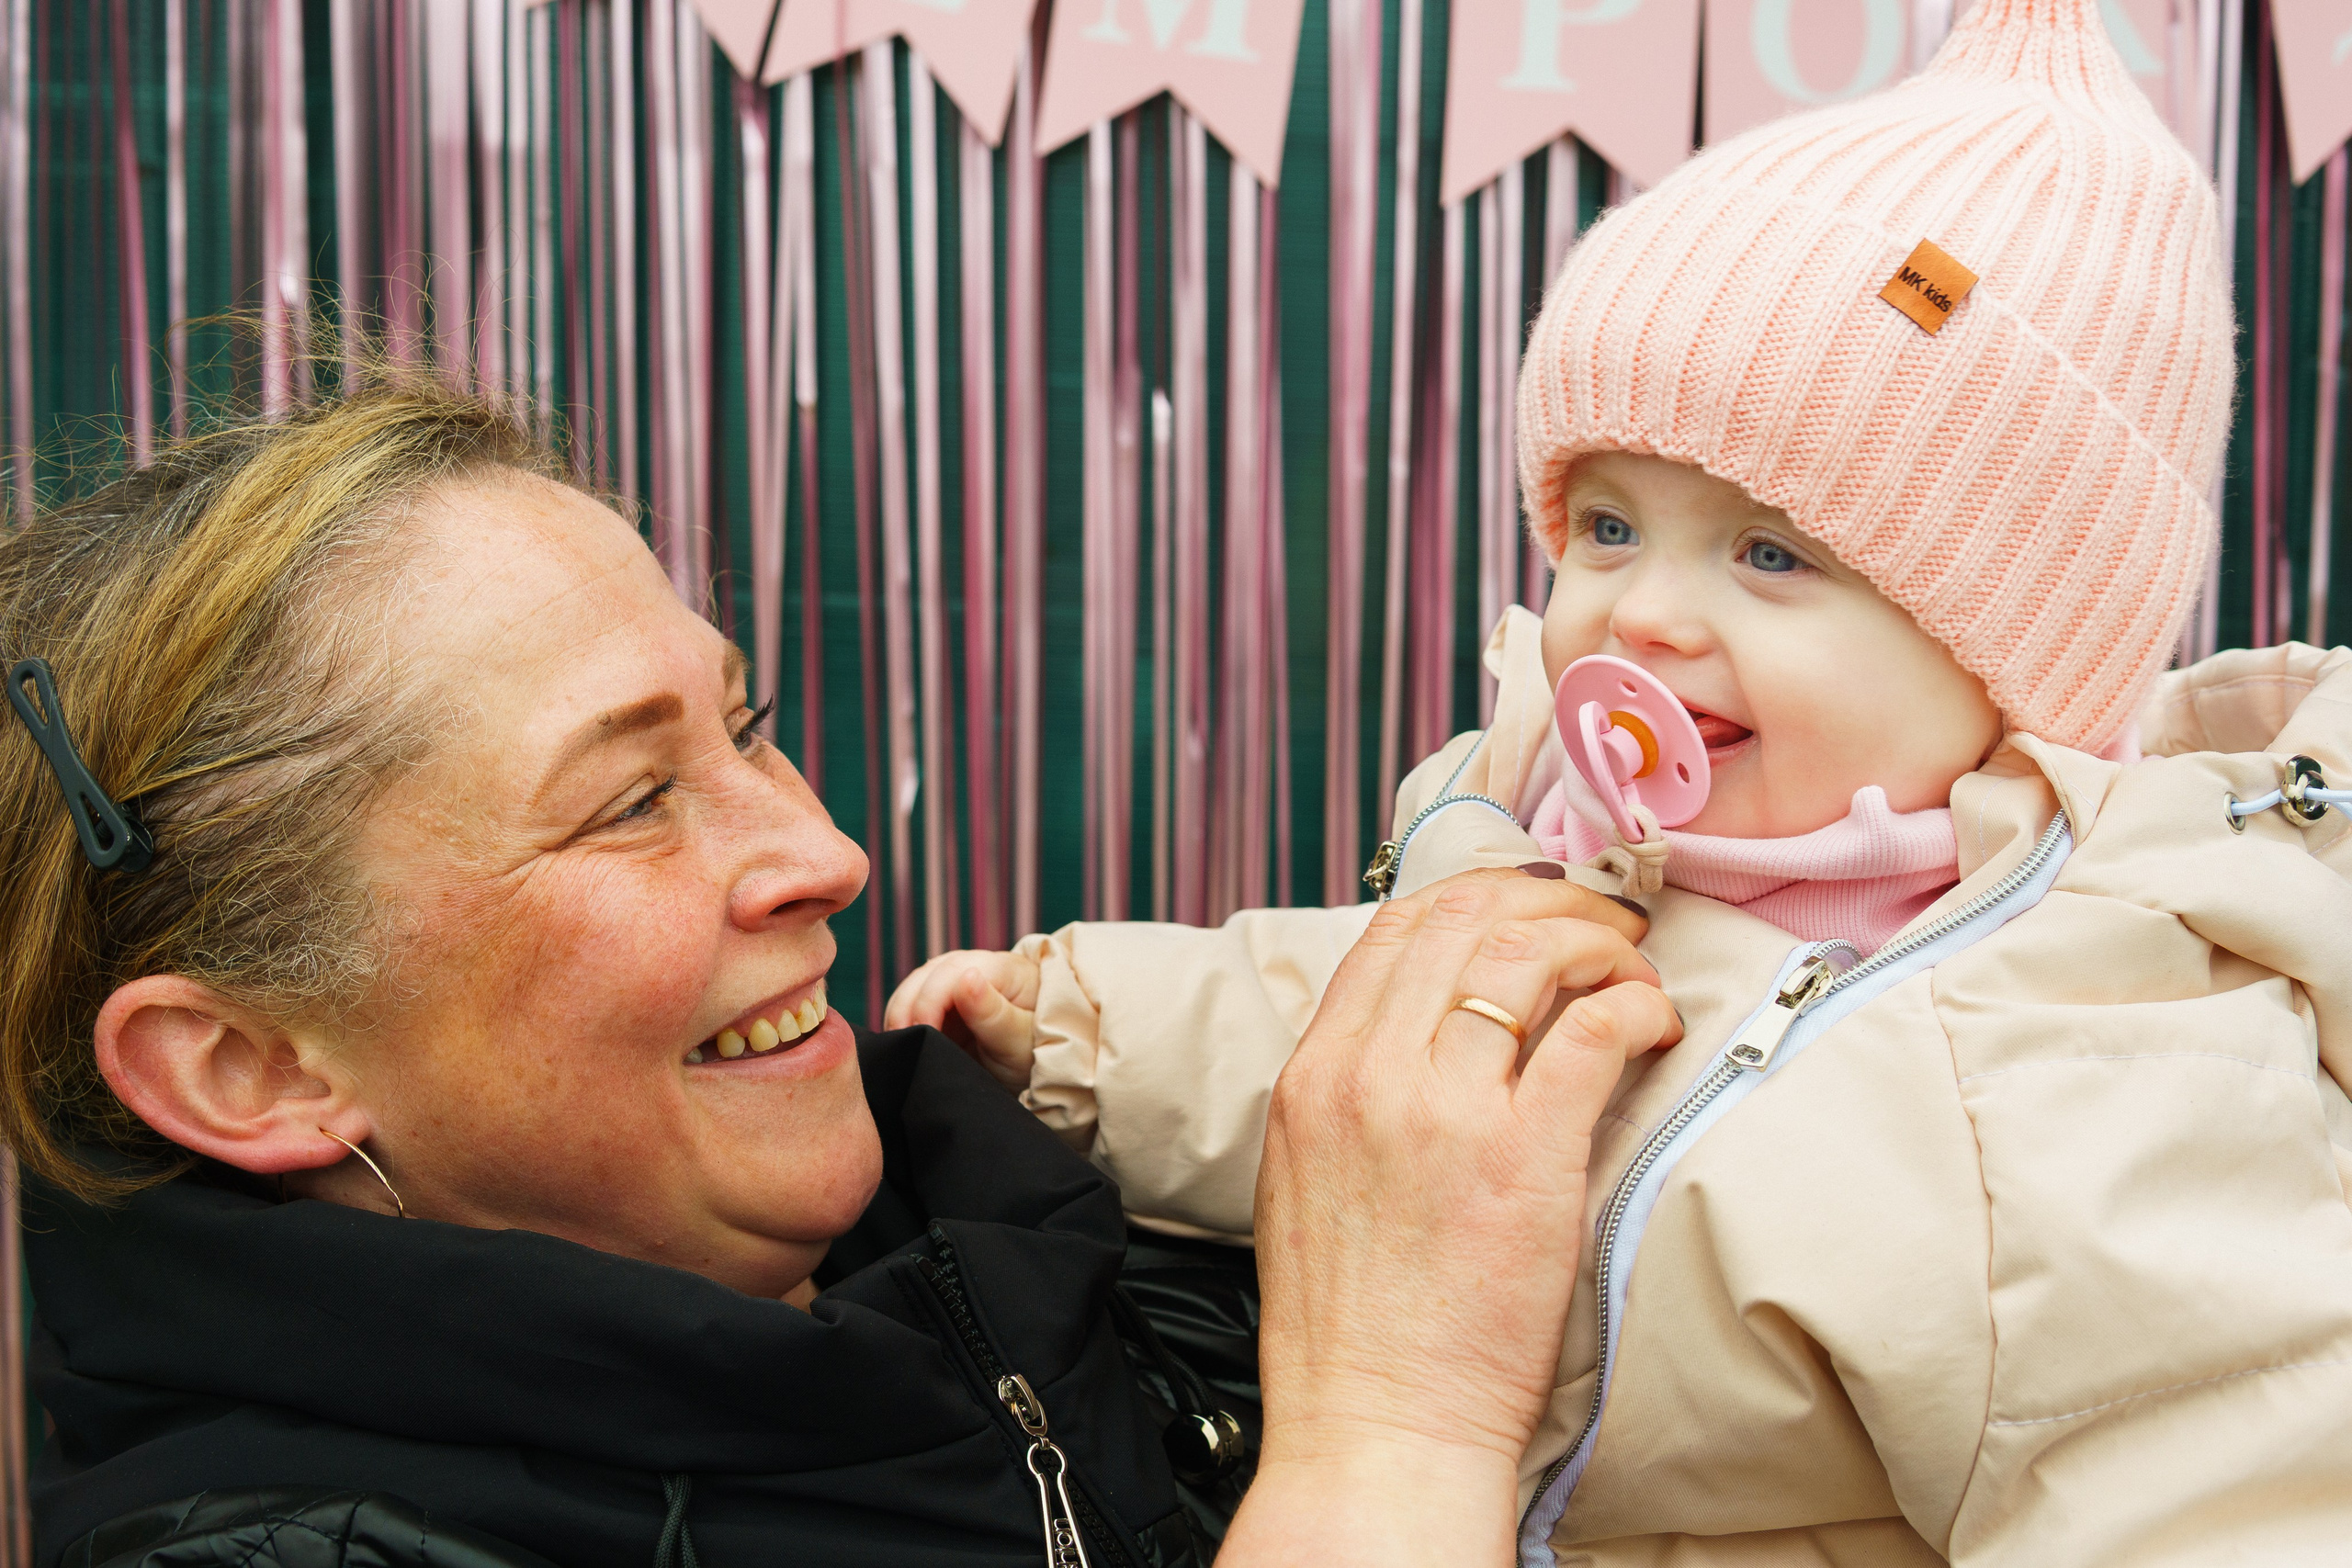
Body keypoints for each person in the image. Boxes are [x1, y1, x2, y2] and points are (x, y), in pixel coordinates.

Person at [888, 0, 2352, 1560]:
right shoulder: (1563, 837)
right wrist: (1077, 1034)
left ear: (2018, 650)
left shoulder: (2104, 1066)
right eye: (1607, 526)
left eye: (1769, 551)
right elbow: (1360, 1033)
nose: (1638, 613)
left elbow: (2219, 1478)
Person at [0, 374, 1683, 1568]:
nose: (825, 854)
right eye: (632, 800)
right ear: (251, 1069)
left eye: (745, 728)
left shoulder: (1054, 1219)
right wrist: (1391, 1426)